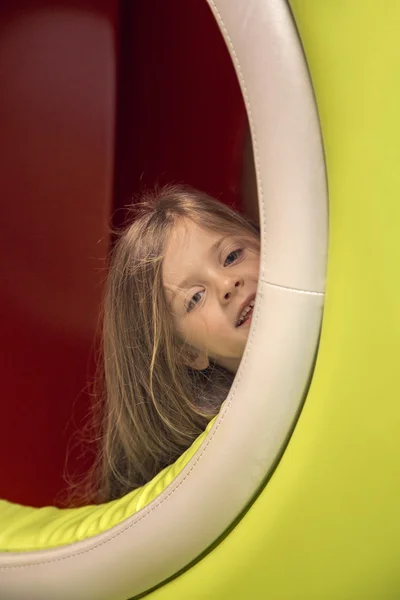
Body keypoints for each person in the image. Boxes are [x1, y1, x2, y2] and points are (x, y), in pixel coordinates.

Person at [83, 184, 260, 503]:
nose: (227, 284)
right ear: (189, 353)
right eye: (195, 298)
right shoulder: (221, 458)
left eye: (232, 256)